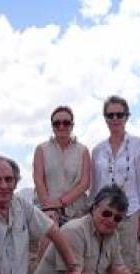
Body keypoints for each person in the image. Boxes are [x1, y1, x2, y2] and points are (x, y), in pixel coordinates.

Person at [90, 95, 140, 272]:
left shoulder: (139, 145)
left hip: (130, 212)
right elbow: (95, 185)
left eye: (119, 114)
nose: (115, 119)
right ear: (105, 118)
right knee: (103, 260)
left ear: (127, 116)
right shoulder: (98, 150)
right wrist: (92, 211)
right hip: (103, 214)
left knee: (129, 262)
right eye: (110, 115)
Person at [33, 106, 91, 261]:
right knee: (47, 236)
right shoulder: (41, 149)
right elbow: (38, 179)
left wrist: (61, 202)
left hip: (76, 209)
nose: (61, 126)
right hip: (48, 208)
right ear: (52, 126)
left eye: (66, 122)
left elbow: (85, 182)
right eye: (57, 123)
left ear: (72, 125)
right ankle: (41, 272)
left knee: (75, 250)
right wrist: (49, 206)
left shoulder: (83, 151)